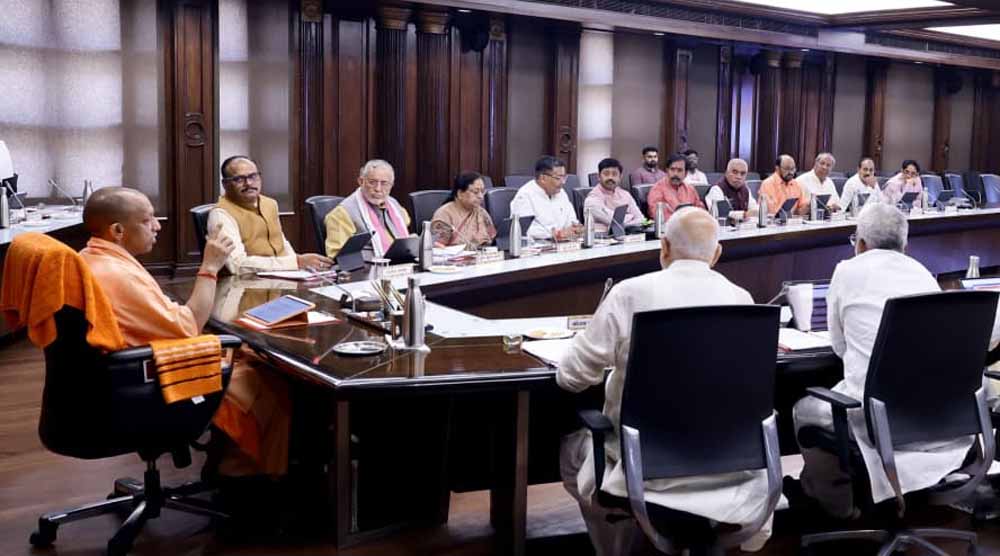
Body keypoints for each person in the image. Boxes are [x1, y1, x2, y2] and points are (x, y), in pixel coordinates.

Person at [558, 207, 771, 555]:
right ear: (716, 254)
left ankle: (619, 550)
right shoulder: (741, 299)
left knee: (572, 452)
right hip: (731, 466)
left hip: (641, 466)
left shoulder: (630, 293)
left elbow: (571, 377)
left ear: (665, 247)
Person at [791, 203, 1000, 519]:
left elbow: (839, 347)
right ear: (905, 246)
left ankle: (840, 508)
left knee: (803, 410)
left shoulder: (847, 270)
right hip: (943, 417)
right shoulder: (922, 273)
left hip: (882, 418)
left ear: (861, 244)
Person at [79, 187, 292, 481]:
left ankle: (226, 460)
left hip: (115, 379)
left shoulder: (92, 258)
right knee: (269, 379)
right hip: (142, 384)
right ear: (117, 230)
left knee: (246, 354)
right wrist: (210, 267)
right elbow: (189, 326)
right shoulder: (116, 274)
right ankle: (247, 477)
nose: (157, 226)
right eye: (148, 220)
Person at [209, 156, 332, 274]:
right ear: (225, 184)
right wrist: (296, 262)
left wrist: (300, 264)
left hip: (282, 277)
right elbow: (237, 265)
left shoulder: (270, 204)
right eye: (239, 179)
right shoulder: (221, 214)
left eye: (253, 176)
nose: (249, 183)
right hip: (246, 282)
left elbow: (282, 243)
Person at [324, 159, 412, 258]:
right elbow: (339, 257)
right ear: (361, 181)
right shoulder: (342, 214)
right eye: (372, 182)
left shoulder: (393, 204)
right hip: (369, 265)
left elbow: (406, 227)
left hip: (401, 262)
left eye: (384, 183)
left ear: (391, 185)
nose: (378, 189)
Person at [509, 155, 583, 241]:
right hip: (538, 244)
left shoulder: (561, 192)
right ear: (543, 178)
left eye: (564, 178)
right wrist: (555, 233)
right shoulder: (525, 195)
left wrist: (575, 228)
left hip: (563, 243)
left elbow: (571, 220)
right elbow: (524, 229)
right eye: (558, 178)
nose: (563, 182)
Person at [430, 171, 496, 248]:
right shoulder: (444, 214)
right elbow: (437, 246)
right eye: (476, 192)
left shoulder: (481, 212)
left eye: (482, 192)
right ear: (460, 194)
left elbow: (492, 237)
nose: (481, 196)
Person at [583, 158, 644, 234]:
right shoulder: (592, 198)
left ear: (620, 177)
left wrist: (624, 222)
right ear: (598, 176)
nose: (610, 177)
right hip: (601, 239)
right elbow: (615, 222)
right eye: (606, 174)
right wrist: (631, 216)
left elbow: (641, 219)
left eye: (614, 174)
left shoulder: (625, 194)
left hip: (627, 236)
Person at [646, 153, 705, 220]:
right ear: (667, 171)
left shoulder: (690, 189)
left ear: (685, 174)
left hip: (690, 224)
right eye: (672, 169)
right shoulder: (657, 189)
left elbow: (700, 210)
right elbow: (658, 214)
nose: (675, 174)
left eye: (679, 170)